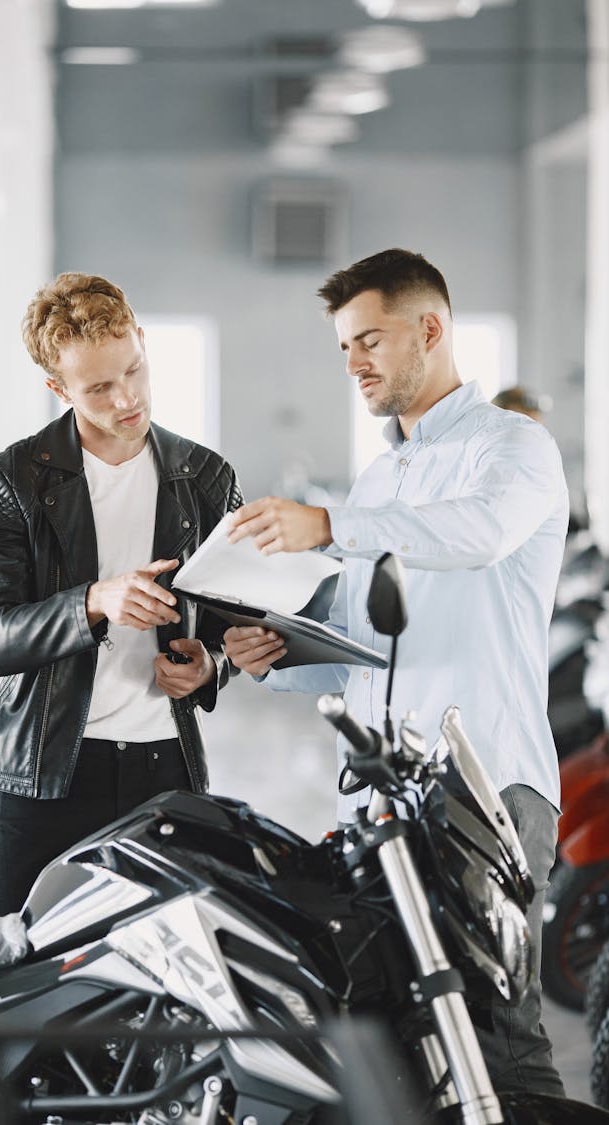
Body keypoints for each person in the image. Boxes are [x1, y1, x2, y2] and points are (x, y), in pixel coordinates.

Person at [223, 248, 568, 1098]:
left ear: (430, 329)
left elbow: (477, 533)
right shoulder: (384, 475)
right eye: (343, 346)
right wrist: (274, 658)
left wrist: (332, 523)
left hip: (484, 786)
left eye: (369, 339)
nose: (354, 363)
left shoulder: (513, 448)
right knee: (391, 1035)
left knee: (494, 1033)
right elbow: (362, 644)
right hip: (381, 797)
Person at [0, 272, 242, 918]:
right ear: (57, 389)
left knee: (165, 996)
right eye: (99, 388)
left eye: (134, 371)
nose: (127, 399)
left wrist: (209, 666)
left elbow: (237, 622)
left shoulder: (204, 477)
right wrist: (92, 601)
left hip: (164, 773)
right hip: (47, 777)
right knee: (15, 993)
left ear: (141, 341)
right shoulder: (9, 483)